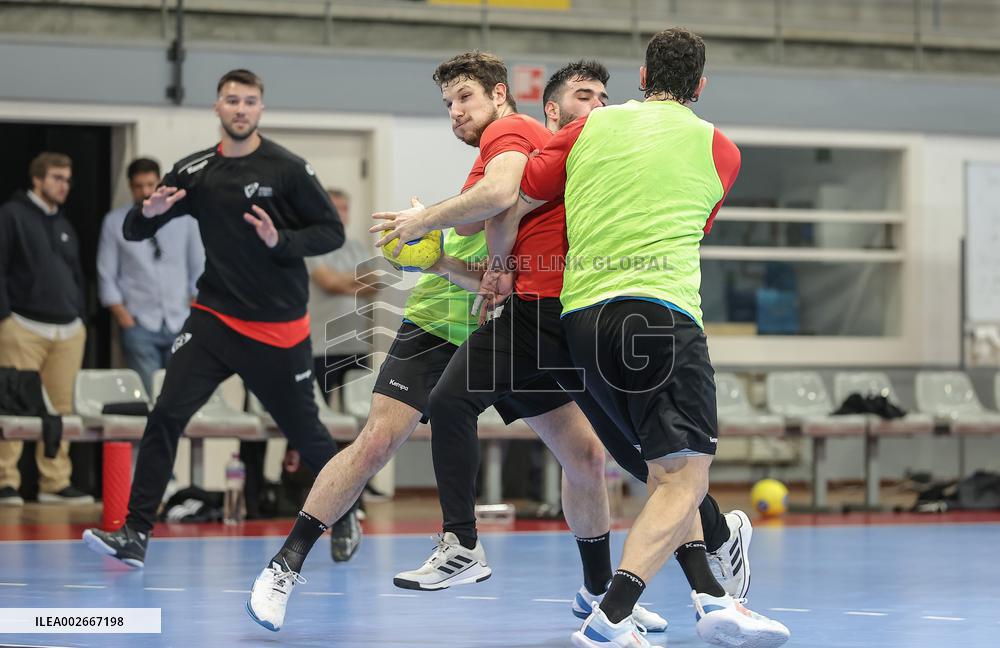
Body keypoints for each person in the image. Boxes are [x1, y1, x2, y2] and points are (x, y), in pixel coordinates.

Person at [244, 53, 666, 635]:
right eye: (448, 105)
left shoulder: (521, 139)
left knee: (587, 457)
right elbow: (492, 230)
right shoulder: (517, 149)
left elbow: (503, 228)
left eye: (463, 98)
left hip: (510, 328)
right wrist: (444, 256)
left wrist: (436, 236)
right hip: (440, 325)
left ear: (500, 96)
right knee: (377, 441)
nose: (454, 114)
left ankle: (596, 591)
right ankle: (284, 567)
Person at [373, 57, 755, 634]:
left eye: (605, 94)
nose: (598, 103)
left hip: (580, 315)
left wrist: (430, 224)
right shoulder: (541, 139)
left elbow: (504, 201)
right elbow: (505, 204)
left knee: (630, 461)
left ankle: (696, 575)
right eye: (584, 94)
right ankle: (466, 545)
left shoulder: (603, 147)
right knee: (456, 400)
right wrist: (482, 263)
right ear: (551, 108)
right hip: (542, 315)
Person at [513, 29, 789, 647]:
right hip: (659, 314)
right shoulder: (721, 149)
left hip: (580, 320)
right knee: (686, 478)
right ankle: (610, 617)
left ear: (640, 77)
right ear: (700, 86)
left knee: (664, 476)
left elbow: (524, 189)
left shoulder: (587, 129)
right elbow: (696, 225)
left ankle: (714, 601)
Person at [81, 69, 360, 568]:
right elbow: (133, 227)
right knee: (166, 413)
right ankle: (136, 534)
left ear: (260, 110)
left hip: (278, 329)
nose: (240, 109)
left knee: (307, 433)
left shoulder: (288, 168)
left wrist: (284, 242)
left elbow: (331, 233)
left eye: (249, 101)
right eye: (231, 100)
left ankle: (345, 511)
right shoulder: (196, 171)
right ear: (217, 107)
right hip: (213, 319)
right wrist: (150, 212)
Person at [0, 152, 93, 506]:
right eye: (57, 178)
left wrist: (79, 316)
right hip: (22, 325)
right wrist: (4, 317)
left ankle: (54, 482)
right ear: (37, 179)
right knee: (11, 406)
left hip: (67, 331)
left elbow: (76, 276)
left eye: (68, 179)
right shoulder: (11, 216)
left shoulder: (66, 226)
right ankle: (5, 481)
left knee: (61, 408)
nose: (64, 185)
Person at [97, 157, 205, 395]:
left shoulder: (184, 218)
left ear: (159, 182)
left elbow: (198, 266)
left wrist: (194, 309)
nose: (145, 191)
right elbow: (106, 273)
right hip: (140, 321)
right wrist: (124, 317)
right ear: (130, 186)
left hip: (179, 319)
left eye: (150, 184)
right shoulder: (115, 222)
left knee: (181, 392)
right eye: (138, 185)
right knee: (149, 396)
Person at [306, 188, 376, 401]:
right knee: (320, 415)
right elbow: (328, 282)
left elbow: (375, 282)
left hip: (357, 346)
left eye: (344, 208)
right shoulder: (312, 244)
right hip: (322, 347)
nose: (341, 213)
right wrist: (355, 280)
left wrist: (340, 282)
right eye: (335, 208)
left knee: (358, 415)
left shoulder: (356, 247)